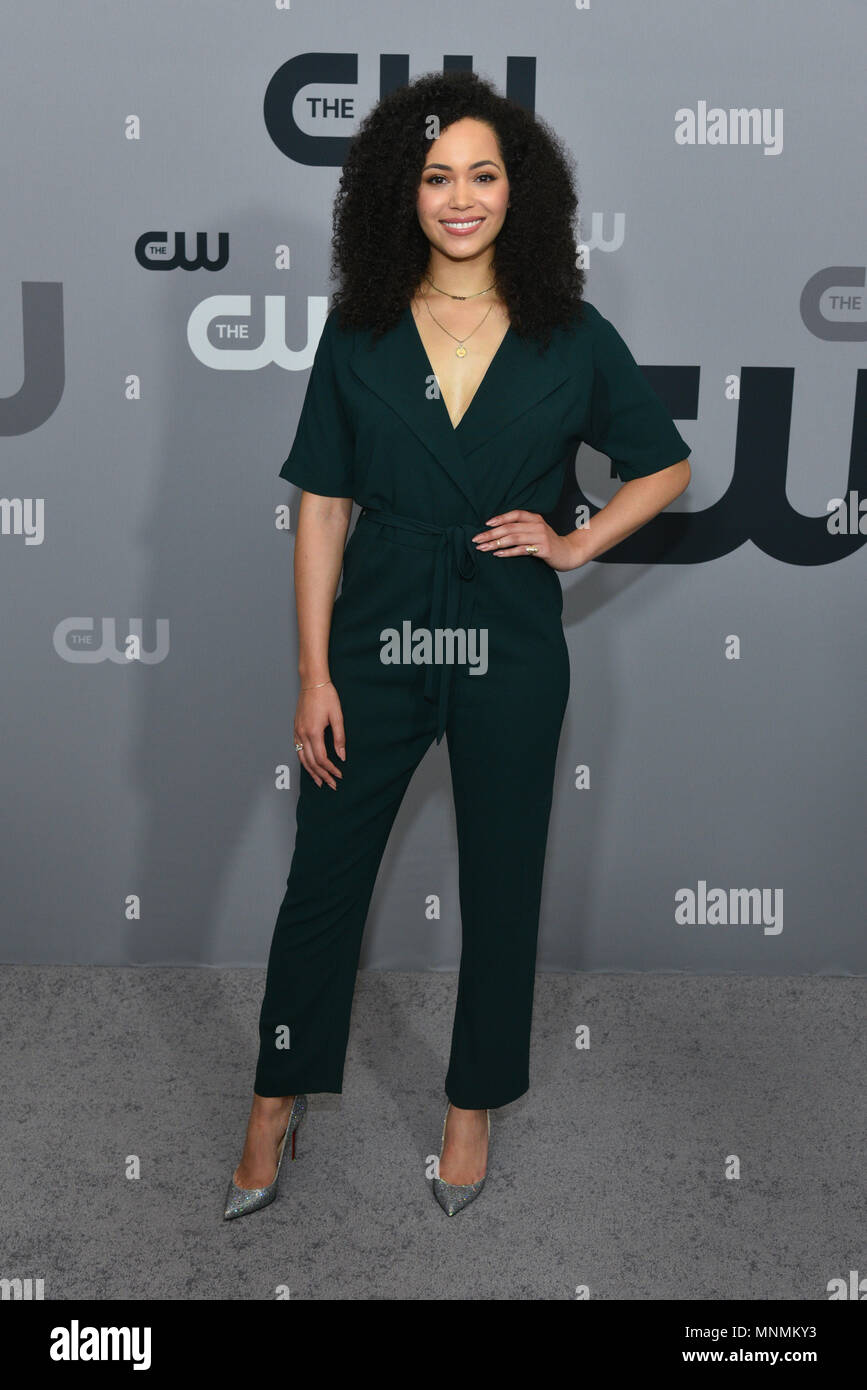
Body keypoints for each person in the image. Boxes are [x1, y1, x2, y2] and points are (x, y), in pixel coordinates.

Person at [224, 70, 692, 1220]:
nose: (462, 196)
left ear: (517, 192)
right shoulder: (360, 332)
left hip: (510, 638)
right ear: (402, 192)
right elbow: (322, 509)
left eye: (484, 174)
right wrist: (313, 673)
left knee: (503, 876)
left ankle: (472, 1103)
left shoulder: (569, 335)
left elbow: (665, 462)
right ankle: (276, 1094)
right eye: (438, 176)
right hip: (376, 635)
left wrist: (577, 545)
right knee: (322, 879)